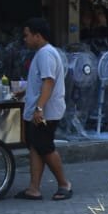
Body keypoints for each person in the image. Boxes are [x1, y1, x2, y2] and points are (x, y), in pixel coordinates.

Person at [14, 17, 71, 200]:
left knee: (45, 147)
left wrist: (39, 108)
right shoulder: (42, 53)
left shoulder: (46, 54)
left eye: (27, 35)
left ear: (37, 36)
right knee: (35, 147)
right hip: (40, 109)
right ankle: (34, 188)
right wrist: (24, 93)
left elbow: (48, 81)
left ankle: (64, 184)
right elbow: (40, 82)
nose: (25, 39)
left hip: (47, 111)